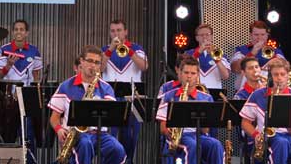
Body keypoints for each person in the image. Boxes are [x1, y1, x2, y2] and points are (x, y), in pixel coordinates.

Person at [49, 45, 126, 164]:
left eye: (97, 62)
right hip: (76, 136)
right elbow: (54, 118)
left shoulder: (106, 88)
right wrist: (59, 130)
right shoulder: (66, 86)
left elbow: (112, 114)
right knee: (85, 144)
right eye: (90, 61)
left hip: (100, 134)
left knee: (118, 150)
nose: (93, 66)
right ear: (81, 61)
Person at [240, 59, 291, 164]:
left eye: (282, 74)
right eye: (275, 74)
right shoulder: (258, 94)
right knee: (281, 143)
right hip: (267, 137)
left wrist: (287, 120)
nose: (279, 78)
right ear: (270, 76)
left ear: (288, 76)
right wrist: (256, 135)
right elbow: (245, 123)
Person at [156, 57, 225, 164]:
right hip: (178, 137)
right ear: (180, 74)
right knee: (192, 145)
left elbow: (206, 130)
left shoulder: (206, 98)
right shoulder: (168, 96)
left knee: (216, 145)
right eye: (186, 72)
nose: (189, 76)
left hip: (198, 134)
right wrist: (170, 133)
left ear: (197, 76)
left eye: (193, 73)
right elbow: (162, 127)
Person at [0, 19, 42, 162]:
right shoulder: (4, 49)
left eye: (22, 29)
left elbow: (36, 76)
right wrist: (8, 65)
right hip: (8, 99)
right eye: (16, 29)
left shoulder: (34, 51)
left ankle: (30, 161)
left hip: (26, 99)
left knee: (28, 135)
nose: (18, 32)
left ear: (26, 33)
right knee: (6, 135)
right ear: (13, 32)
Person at [101, 19, 148, 164]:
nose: (116, 33)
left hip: (132, 98)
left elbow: (144, 66)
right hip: (111, 98)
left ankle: (129, 161)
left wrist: (130, 51)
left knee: (131, 136)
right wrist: (110, 50)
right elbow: (99, 69)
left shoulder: (137, 48)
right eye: (113, 31)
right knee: (111, 135)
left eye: (119, 30)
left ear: (125, 32)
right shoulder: (104, 50)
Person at [231, 20, 286, 89]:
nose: (259, 38)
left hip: (269, 91)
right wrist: (252, 53)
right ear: (250, 35)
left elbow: (286, 68)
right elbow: (235, 69)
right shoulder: (241, 50)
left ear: (267, 36)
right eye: (256, 35)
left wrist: (274, 61)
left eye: (263, 35)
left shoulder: (275, 51)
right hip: (245, 92)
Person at [183, 23, 230, 89]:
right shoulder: (188, 53)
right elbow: (182, 70)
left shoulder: (220, 54)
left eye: (207, 35)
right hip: (194, 90)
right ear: (197, 38)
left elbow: (225, 76)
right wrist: (199, 52)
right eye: (201, 35)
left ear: (212, 37)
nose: (204, 37)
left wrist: (216, 58)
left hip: (214, 91)